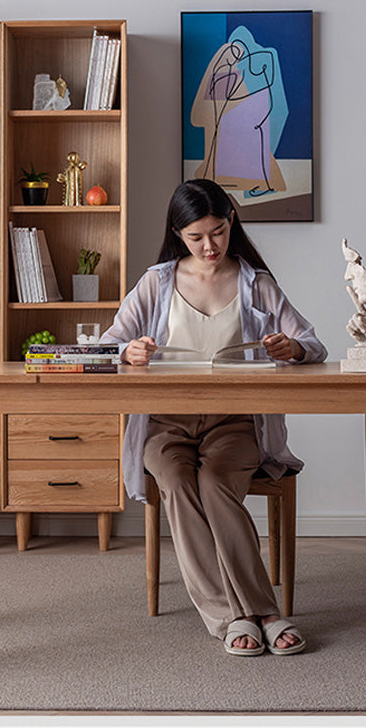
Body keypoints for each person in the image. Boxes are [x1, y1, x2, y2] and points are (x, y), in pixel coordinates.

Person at [100, 179, 327, 657]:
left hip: (235, 424)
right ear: (178, 233)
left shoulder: (255, 282)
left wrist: (294, 347)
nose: (209, 246)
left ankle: (259, 612)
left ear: (231, 224)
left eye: (219, 233)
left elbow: (313, 343)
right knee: (180, 483)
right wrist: (130, 349)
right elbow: (106, 344)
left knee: (216, 483)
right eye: (196, 237)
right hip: (165, 425)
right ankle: (234, 616)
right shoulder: (157, 282)